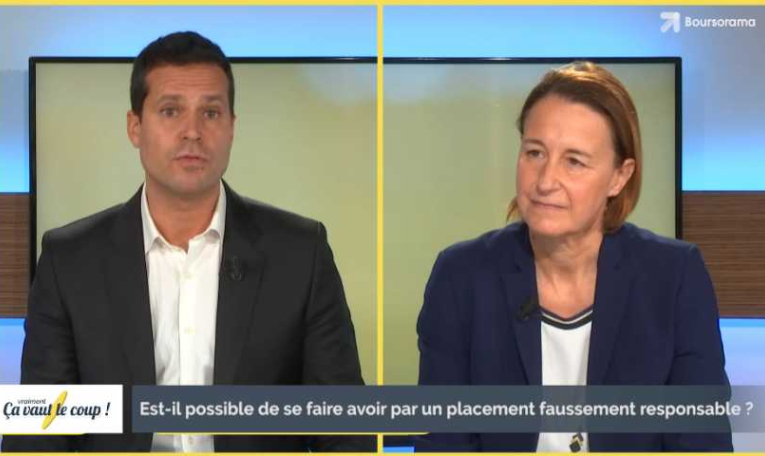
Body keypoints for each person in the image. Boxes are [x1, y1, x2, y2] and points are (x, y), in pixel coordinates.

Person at [1, 31, 373, 452]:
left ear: (231, 128)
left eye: (210, 113)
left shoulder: (301, 254)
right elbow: (38, 433)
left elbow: (345, 428)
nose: (192, 132)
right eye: (171, 111)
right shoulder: (70, 261)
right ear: (135, 127)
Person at [415, 62, 732, 452]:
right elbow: (443, 440)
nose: (546, 181)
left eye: (574, 161)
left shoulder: (674, 278)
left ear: (619, 176)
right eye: (535, 153)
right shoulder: (462, 277)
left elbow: (702, 441)